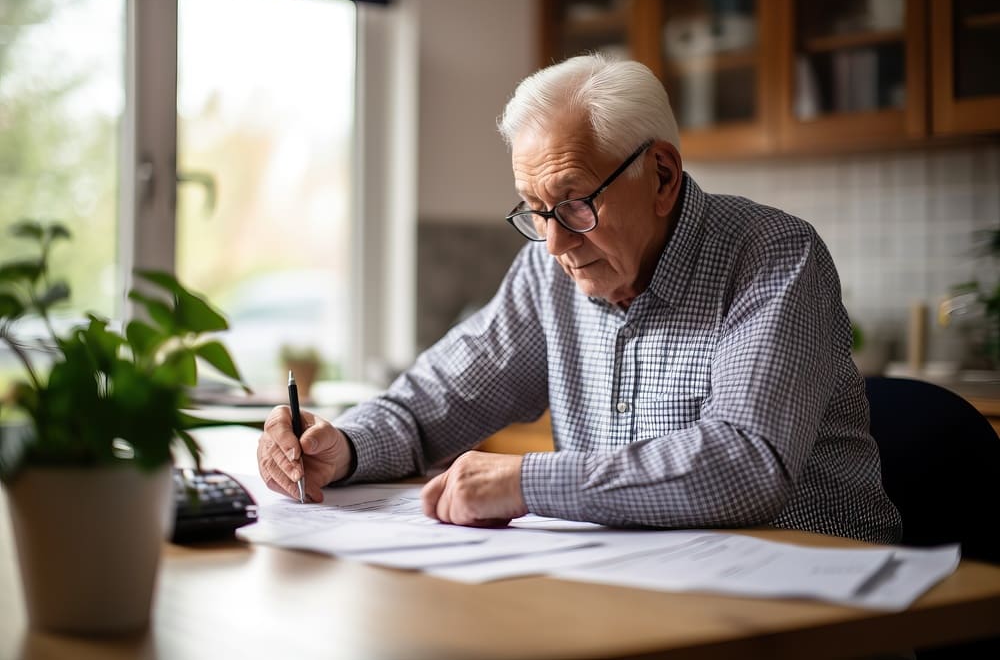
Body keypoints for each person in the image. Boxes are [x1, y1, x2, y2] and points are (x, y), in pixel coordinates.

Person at [257, 54, 902, 543]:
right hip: (643, 589)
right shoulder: (548, 275)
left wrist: (525, 482)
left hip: (814, 594)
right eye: (535, 211)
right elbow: (428, 406)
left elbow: (744, 464)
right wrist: (342, 446)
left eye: (574, 202)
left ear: (663, 176)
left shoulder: (772, 255)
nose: (555, 241)